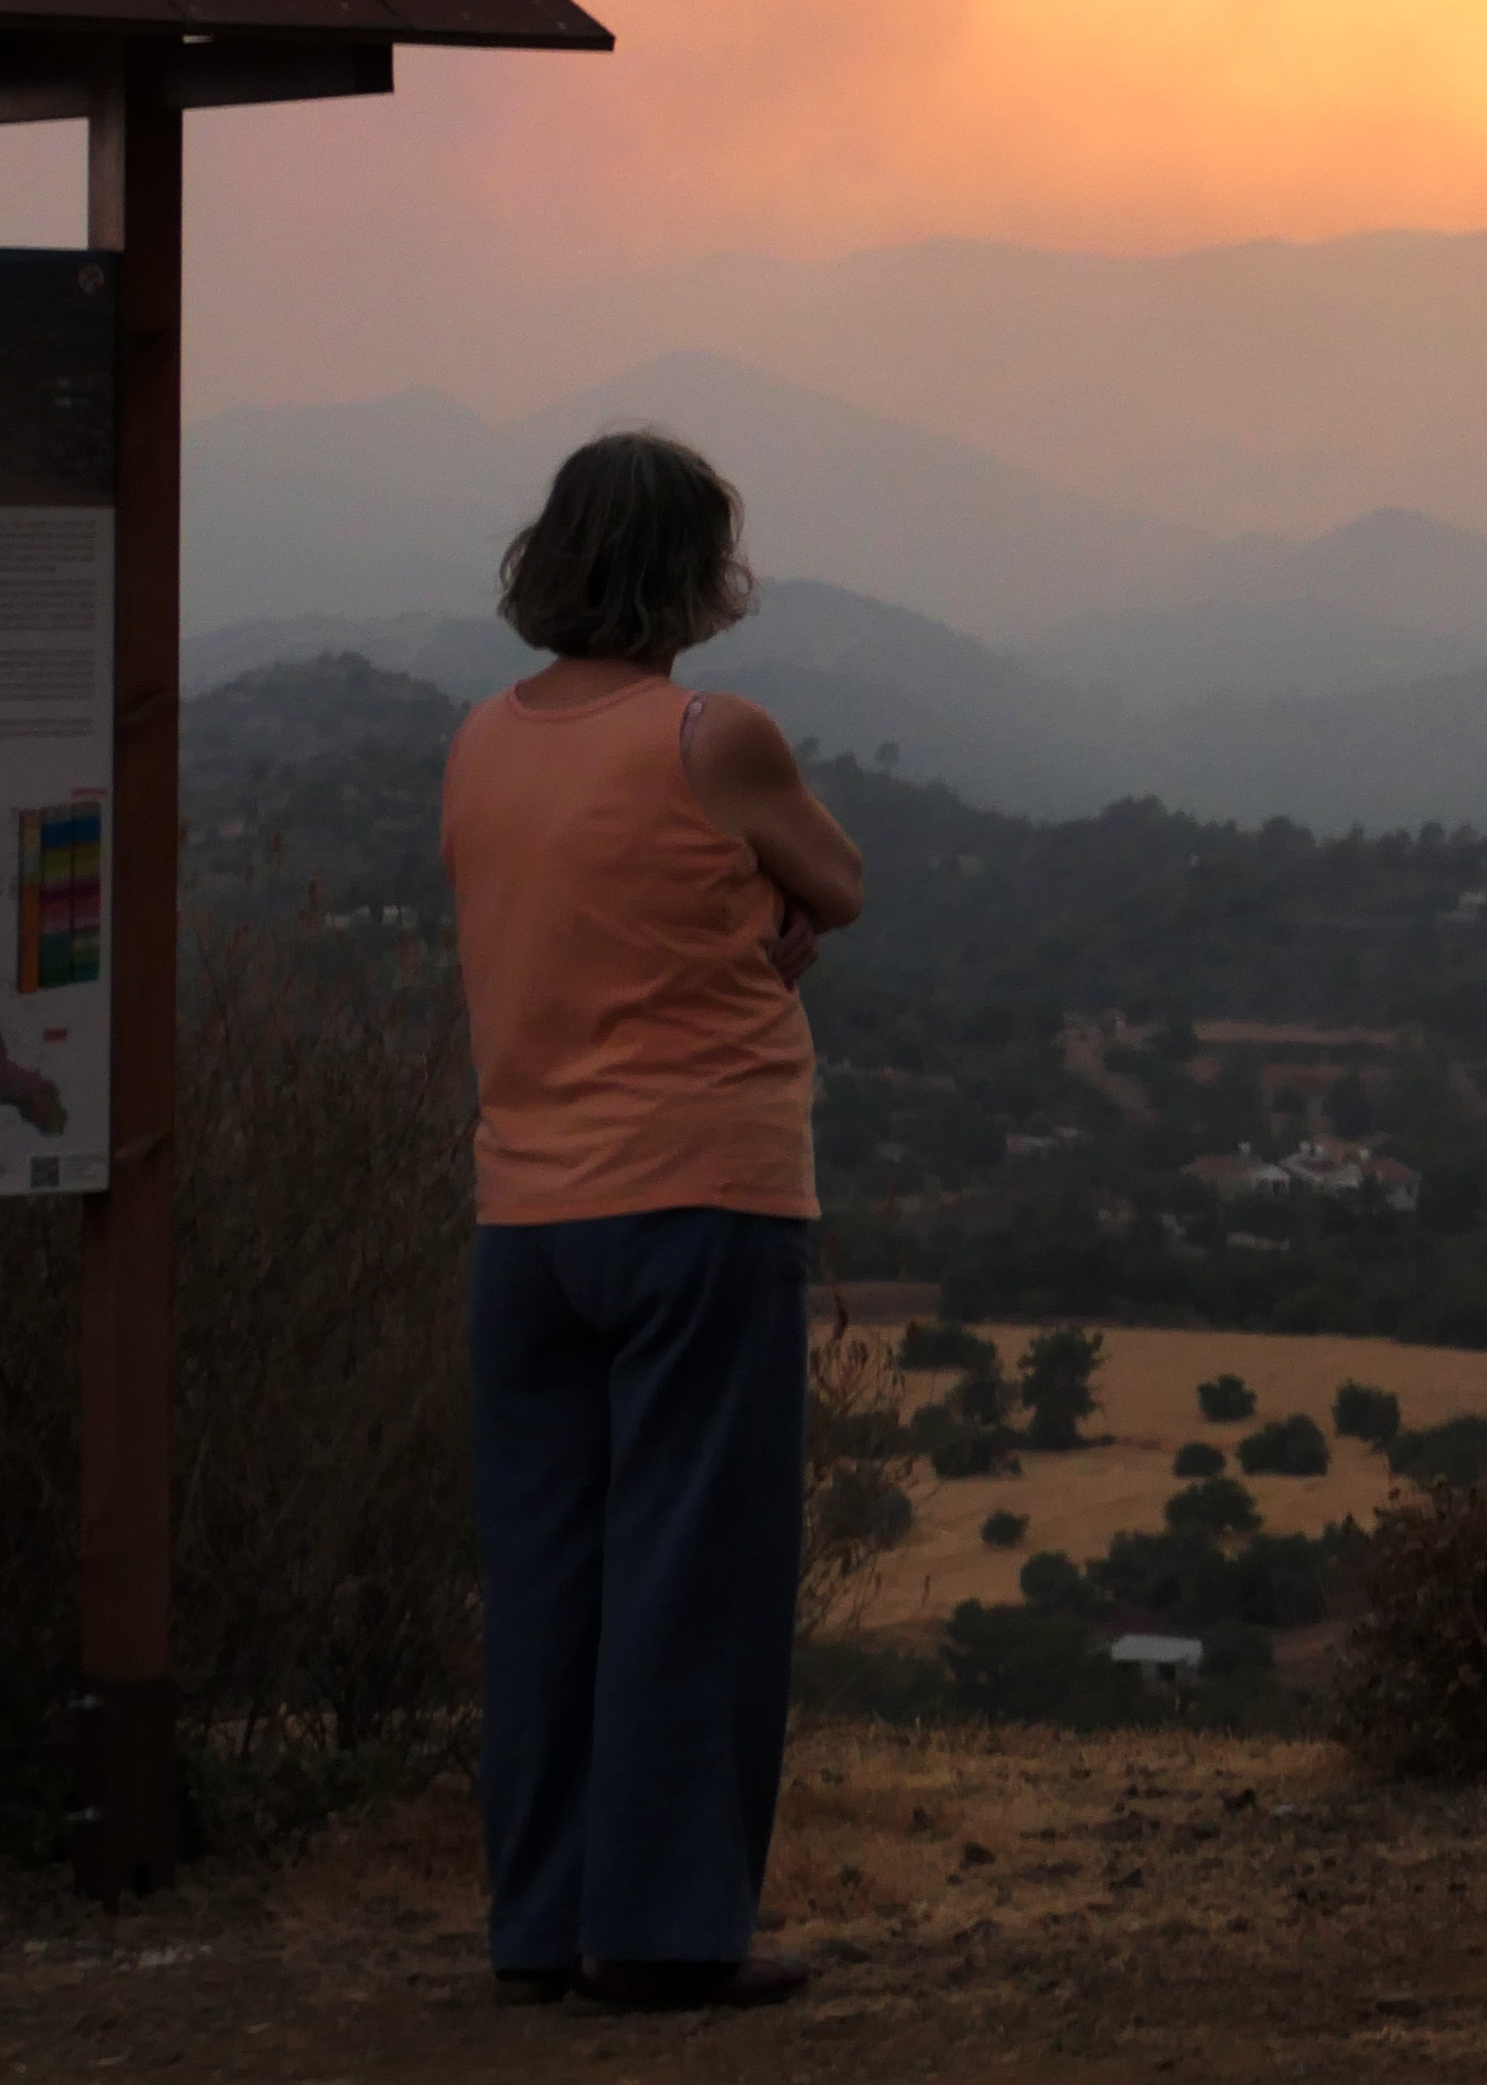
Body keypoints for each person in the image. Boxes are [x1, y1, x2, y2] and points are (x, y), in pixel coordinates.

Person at [441, 429, 863, 2012]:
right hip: (701, 1194)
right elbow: (841, 879)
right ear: (698, 569)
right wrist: (760, 916)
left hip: (526, 1213)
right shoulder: (711, 731)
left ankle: (536, 1926)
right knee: (695, 1565)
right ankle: (673, 1929)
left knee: (548, 1574)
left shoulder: (480, 739)